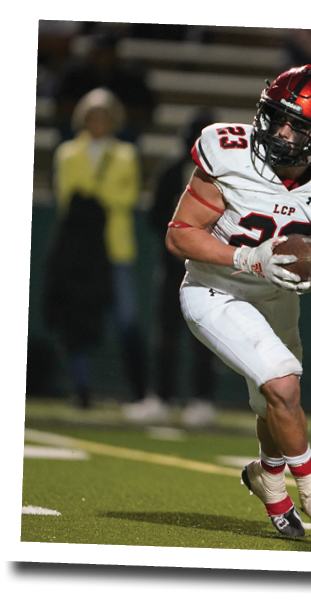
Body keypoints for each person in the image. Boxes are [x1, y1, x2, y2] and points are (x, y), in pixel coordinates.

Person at [165, 65, 311, 538]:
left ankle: (269, 483)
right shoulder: (230, 153)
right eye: (275, 117)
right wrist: (247, 257)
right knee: (282, 384)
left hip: (278, 300)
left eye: (296, 125)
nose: (280, 131)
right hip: (216, 289)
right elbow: (180, 235)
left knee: (271, 404)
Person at [45, 87, 147, 408]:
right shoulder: (67, 153)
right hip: (80, 252)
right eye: (92, 115)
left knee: (127, 321)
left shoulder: (126, 154)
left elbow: (126, 197)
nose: (98, 121)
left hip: (115, 250)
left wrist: (91, 195)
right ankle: (81, 388)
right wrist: (101, 195)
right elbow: (65, 196)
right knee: (79, 318)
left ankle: (140, 393)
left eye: (104, 115)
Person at [123, 109, 219, 427]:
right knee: (167, 333)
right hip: (176, 265)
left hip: (210, 268)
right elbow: (154, 217)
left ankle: (201, 399)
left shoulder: (226, 177)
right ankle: (162, 397)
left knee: (206, 334)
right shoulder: (174, 170)